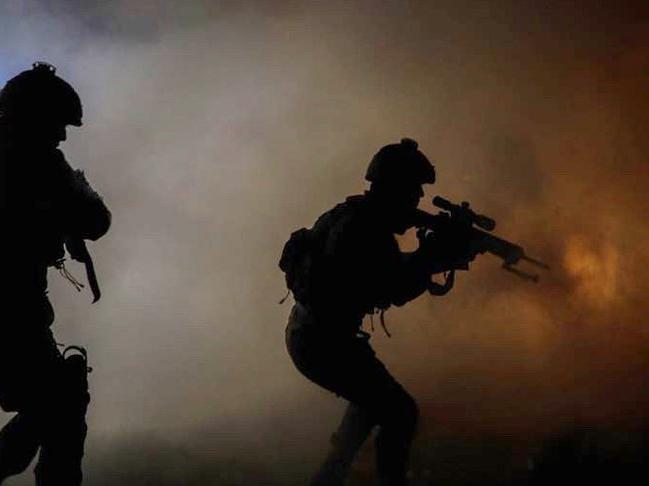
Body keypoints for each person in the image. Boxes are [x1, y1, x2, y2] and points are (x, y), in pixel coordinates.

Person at [281, 138, 469, 486]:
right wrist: (433, 257)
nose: (418, 199)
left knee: (369, 402)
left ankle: (329, 476)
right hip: (323, 342)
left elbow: (377, 274)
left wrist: (432, 257)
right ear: (396, 188)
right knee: (401, 413)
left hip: (312, 334)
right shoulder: (365, 230)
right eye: (414, 190)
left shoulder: (350, 215)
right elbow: (392, 289)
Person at [0, 62, 111, 485]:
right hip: (13, 312)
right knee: (62, 400)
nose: (62, 136)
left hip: (17, 309)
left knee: (54, 400)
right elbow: (96, 221)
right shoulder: (40, 163)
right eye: (56, 125)